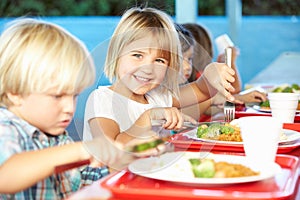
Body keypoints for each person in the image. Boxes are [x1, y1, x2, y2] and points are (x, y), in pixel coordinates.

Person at [0, 18, 135, 199]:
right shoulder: (6, 128)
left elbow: (80, 183)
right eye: (57, 96)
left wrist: (121, 158)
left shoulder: (57, 137)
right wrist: (81, 150)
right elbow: (6, 176)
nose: (69, 108)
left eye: (74, 96)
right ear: (14, 93)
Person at [83, 7, 236, 150]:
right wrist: (148, 117)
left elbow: (201, 90)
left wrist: (210, 73)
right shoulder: (102, 100)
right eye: (138, 55)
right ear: (116, 54)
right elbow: (112, 151)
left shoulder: (159, 96)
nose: (148, 69)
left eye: (159, 61)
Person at [181, 23, 267, 121]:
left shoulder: (199, 77)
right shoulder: (200, 77)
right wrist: (230, 61)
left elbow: (211, 106)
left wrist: (238, 99)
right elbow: (232, 90)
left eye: (189, 59)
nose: (187, 66)